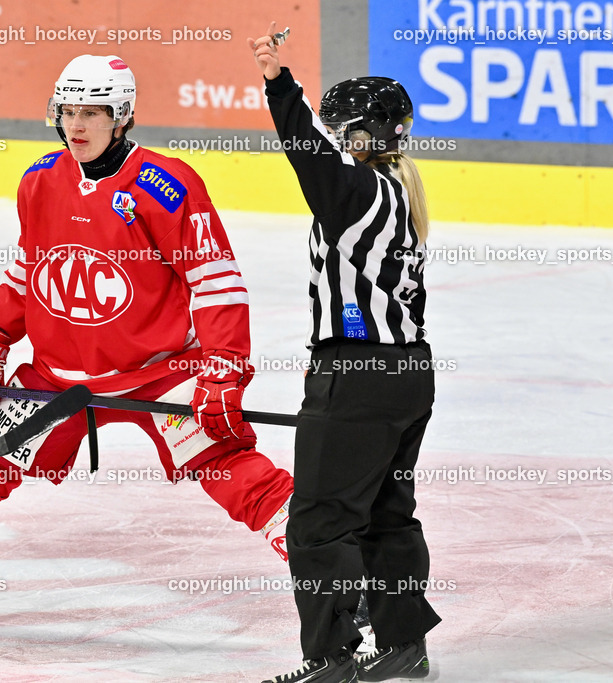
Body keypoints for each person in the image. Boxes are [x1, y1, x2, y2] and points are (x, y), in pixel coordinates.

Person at [0, 54, 295, 599]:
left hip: (160, 371)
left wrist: (224, 368)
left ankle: (336, 574)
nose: (76, 125)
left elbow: (216, 283)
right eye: (69, 111)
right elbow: (29, 272)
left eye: (93, 113)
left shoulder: (169, 185)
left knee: (232, 468)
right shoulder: (39, 180)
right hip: (59, 375)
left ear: (121, 116)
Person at [249, 23, 440, 683]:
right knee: (389, 513)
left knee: (319, 523)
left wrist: (279, 85)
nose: (333, 142)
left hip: (354, 377)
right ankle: (403, 645)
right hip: (410, 374)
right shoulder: (401, 196)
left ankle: (332, 658)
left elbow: (303, 152)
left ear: (365, 135)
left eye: (343, 132)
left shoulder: (354, 195)